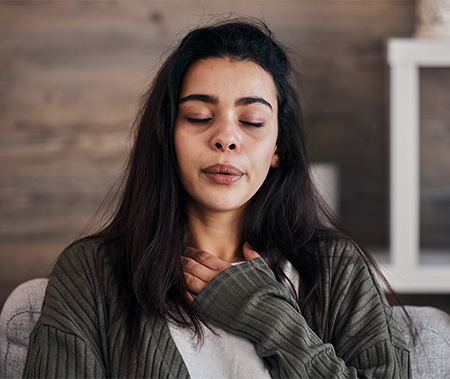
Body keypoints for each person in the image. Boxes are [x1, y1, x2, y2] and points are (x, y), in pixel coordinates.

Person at [22, 19, 411, 378]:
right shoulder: (89, 275)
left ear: (278, 147)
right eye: (198, 116)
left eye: (252, 122)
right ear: (167, 137)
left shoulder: (336, 269)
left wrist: (271, 320)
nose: (226, 138)